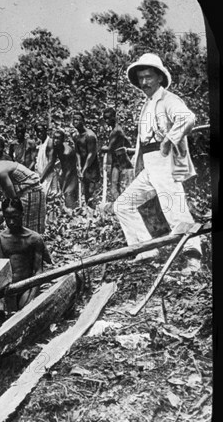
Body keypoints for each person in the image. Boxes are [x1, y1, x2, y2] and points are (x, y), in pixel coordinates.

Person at [113, 53, 202, 271]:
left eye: (148, 77)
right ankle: (145, 249)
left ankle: (193, 258)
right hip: (150, 164)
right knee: (123, 205)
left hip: (166, 162)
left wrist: (169, 140)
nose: (144, 82)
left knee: (176, 210)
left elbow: (187, 118)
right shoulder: (146, 104)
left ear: (160, 78)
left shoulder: (168, 99)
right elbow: (143, 140)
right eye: (141, 78)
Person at [0, 197, 50, 404]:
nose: (11, 221)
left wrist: (31, 297)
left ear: (22, 214)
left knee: (23, 323)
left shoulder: (33, 238)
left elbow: (38, 270)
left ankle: (23, 383)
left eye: (15, 216)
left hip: (27, 287)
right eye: (7, 217)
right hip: (5, 291)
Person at [0, 158, 46, 234]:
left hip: (31, 192)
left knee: (28, 228)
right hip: (25, 192)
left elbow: (13, 198)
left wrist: (0, 217)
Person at [40, 127, 79, 209]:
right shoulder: (56, 147)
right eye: (55, 138)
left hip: (71, 176)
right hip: (64, 174)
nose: (55, 141)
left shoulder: (67, 152)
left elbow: (69, 172)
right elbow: (51, 163)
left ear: (63, 140)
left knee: (67, 195)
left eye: (58, 139)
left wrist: (63, 189)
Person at [101, 108, 134, 201]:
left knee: (115, 188)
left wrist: (103, 148)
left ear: (114, 117)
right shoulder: (117, 130)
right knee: (116, 187)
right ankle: (120, 208)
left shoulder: (116, 130)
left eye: (108, 118)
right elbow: (127, 142)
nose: (107, 121)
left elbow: (109, 148)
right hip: (119, 160)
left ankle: (121, 208)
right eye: (105, 119)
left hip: (120, 162)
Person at [73, 111, 100, 207]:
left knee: (91, 193)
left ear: (83, 121)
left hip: (92, 168)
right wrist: (79, 167)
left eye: (78, 120)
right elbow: (77, 152)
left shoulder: (90, 135)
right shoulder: (76, 136)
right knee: (85, 193)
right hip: (84, 168)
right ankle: (88, 216)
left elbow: (91, 154)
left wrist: (84, 169)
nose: (75, 122)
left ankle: (96, 216)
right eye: (74, 119)